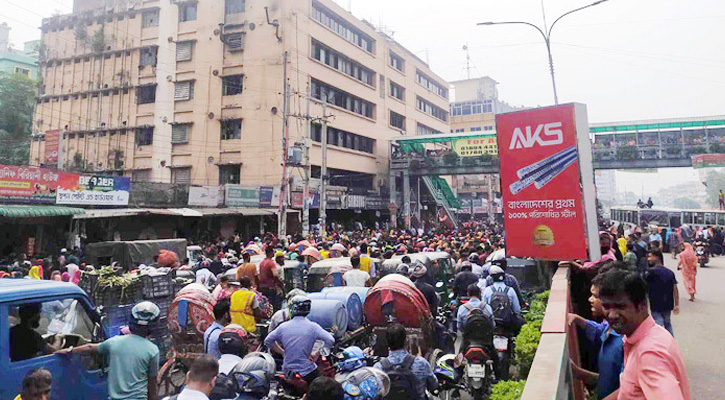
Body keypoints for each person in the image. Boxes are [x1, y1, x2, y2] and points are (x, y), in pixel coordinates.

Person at [597, 270, 690, 400]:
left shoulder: (649, 354)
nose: (612, 315)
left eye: (620, 307)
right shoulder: (652, 333)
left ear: (642, 306)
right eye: (606, 307)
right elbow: (630, 389)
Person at [56, 301, 160, 400]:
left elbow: (90, 347)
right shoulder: (152, 350)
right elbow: (152, 384)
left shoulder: (114, 342)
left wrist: (69, 350)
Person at [568, 272, 624, 399]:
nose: (590, 299)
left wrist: (580, 373)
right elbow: (600, 330)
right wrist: (577, 319)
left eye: (595, 296)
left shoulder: (625, 341)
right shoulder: (608, 327)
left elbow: (626, 390)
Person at [264, 295, 335, 384]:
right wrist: (318, 353)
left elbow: (268, 341)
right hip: (307, 371)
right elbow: (330, 340)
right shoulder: (313, 327)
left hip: (287, 371)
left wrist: (282, 352)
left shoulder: (283, 327)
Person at [373, 323, 437, 400]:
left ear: (387, 343)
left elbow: (375, 392)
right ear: (406, 341)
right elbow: (434, 385)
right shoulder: (421, 363)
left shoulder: (378, 368)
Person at [644, 250, 679, 336]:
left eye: (650, 256)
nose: (648, 259)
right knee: (667, 324)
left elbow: (644, 288)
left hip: (656, 304)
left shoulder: (650, 272)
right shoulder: (670, 272)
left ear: (657, 258)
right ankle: (671, 341)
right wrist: (676, 304)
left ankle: (660, 344)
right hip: (668, 304)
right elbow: (675, 289)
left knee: (658, 325)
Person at [482, 265, 523, 334]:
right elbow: (516, 310)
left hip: (492, 323)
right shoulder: (510, 290)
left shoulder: (487, 290)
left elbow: (483, 308)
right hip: (507, 322)